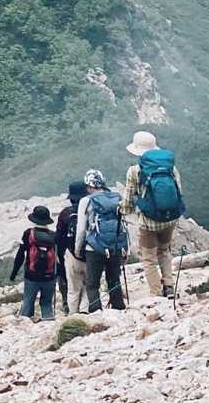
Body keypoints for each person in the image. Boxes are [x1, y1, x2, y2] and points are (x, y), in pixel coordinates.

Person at [121, 130, 186, 298]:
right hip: (169, 219)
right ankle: (169, 287)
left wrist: (125, 211)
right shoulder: (170, 168)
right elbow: (178, 191)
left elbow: (128, 200)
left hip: (148, 222)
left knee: (149, 257)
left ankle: (156, 293)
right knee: (164, 251)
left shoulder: (135, 171)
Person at [75, 169, 127, 312]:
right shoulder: (116, 198)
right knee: (114, 280)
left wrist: (78, 249)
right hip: (115, 246)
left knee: (92, 283)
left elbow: (81, 229)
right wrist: (125, 248)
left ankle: (96, 311)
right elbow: (123, 224)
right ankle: (118, 309)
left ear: (89, 186)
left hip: (94, 248)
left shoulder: (86, 201)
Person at [9, 205, 59, 320]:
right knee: (46, 303)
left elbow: (21, 254)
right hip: (49, 276)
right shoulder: (53, 235)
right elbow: (58, 257)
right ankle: (48, 322)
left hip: (32, 275)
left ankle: (25, 322)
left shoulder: (28, 234)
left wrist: (14, 273)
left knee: (28, 301)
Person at [54, 181, 88, 314]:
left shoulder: (65, 214)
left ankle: (72, 314)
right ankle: (85, 312)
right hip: (90, 255)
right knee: (88, 286)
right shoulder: (91, 210)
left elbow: (58, 238)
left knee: (73, 289)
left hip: (72, 257)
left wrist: (60, 258)